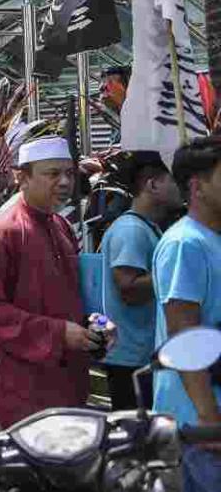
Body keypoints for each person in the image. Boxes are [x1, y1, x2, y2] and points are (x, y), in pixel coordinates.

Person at [0, 136, 107, 428]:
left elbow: (71, 297)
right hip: (23, 389)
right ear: (22, 177)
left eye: (69, 173)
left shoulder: (60, 224)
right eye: (52, 174)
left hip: (68, 382)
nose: (65, 182)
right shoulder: (1, 232)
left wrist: (96, 326)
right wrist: (56, 333)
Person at [151, 137, 221, 492]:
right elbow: (186, 339)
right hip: (199, 424)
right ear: (197, 187)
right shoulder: (185, 244)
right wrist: (209, 418)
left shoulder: (213, 239)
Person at [100, 151, 183, 410]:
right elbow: (129, 289)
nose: (181, 188)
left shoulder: (147, 227)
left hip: (141, 354)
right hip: (132, 359)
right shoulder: (131, 230)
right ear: (153, 185)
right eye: (174, 180)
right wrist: (178, 272)